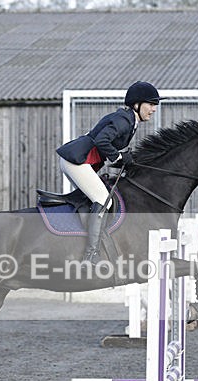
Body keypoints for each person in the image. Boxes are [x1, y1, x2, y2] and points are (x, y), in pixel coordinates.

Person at [56, 81, 162, 264]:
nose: (154, 109)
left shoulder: (129, 120)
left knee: (94, 198)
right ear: (137, 104)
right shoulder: (124, 120)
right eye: (151, 104)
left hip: (78, 160)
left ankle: (80, 239)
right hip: (77, 161)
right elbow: (101, 141)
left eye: (155, 105)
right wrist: (119, 157)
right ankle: (91, 254)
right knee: (103, 199)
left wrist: (125, 159)